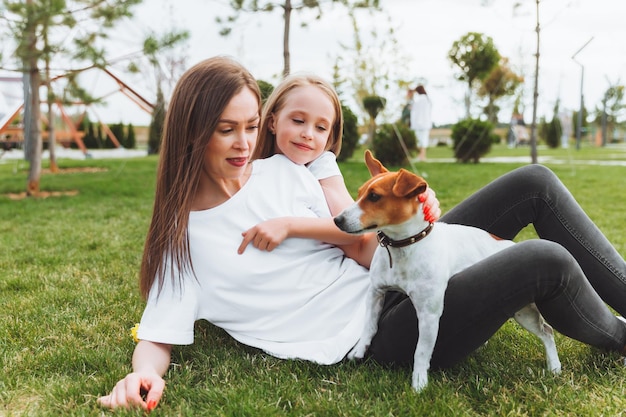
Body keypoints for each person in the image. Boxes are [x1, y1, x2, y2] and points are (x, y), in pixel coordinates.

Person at [98, 56, 626, 411]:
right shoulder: (185, 237)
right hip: (375, 335)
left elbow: (363, 249)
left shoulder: (285, 171)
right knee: (542, 261)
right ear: (192, 130)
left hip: (396, 271)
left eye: (251, 126)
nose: (243, 143)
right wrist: (143, 376)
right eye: (225, 129)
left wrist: (416, 219)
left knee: (534, 183)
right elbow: (157, 335)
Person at [238, 73, 438, 267]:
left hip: (397, 260)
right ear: (272, 122)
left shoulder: (321, 164)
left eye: (321, 128)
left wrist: (288, 225)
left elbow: (352, 230)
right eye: (298, 121)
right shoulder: (250, 169)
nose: (308, 134)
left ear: (330, 136)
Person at [410, 85, 432, 161]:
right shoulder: (427, 99)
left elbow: (413, 108)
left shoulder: (420, 99)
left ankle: (421, 156)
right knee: (423, 140)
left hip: (419, 123)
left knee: (420, 140)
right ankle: (422, 156)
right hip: (425, 123)